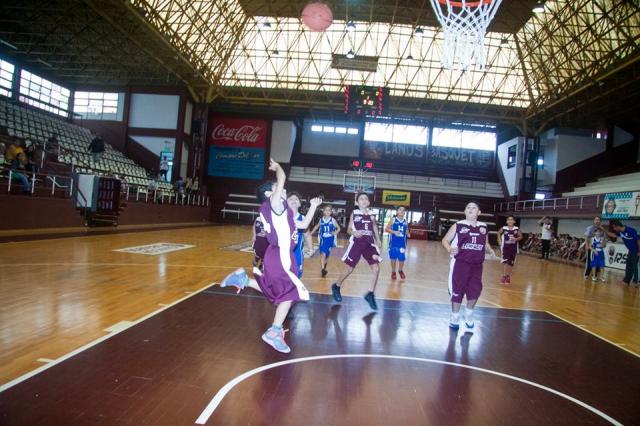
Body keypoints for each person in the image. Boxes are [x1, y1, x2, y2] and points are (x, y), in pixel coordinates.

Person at [219, 158, 321, 353]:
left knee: (279, 293)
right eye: (278, 188)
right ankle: (274, 331)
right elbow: (282, 178)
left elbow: (303, 225)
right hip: (279, 254)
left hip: (283, 256)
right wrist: (278, 169)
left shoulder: (285, 212)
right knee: (291, 292)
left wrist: (314, 206)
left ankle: (245, 280)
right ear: (269, 194)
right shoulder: (274, 204)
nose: (283, 189)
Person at [441, 201, 497, 330]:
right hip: (460, 264)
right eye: (468, 208)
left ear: (479, 212)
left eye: (474, 208)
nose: (471, 209)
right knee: (457, 290)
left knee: (475, 290)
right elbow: (445, 240)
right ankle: (455, 316)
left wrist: (490, 249)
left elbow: (485, 243)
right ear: (465, 212)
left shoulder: (483, 227)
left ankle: (469, 313)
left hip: (477, 265)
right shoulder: (458, 225)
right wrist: (449, 248)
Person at [331, 192, 382, 310]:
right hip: (357, 243)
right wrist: (354, 232)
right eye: (361, 199)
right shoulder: (354, 213)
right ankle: (336, 286)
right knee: (349, 269)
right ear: (357, 202)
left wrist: (378, 239)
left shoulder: (372, 214)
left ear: (368, 202)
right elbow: (348, 230)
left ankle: (370, 294)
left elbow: (374, 227)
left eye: (366, 199)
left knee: (376, 268)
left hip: (369, 243)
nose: (364, 200)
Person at [309, 205, 341, 277]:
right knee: (322, 253)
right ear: (323, 211)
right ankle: (323, 269)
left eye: (329, 210)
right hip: (322, 238)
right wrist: (311, 233)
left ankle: (324, 267)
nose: (327, 211)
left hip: (331, 239)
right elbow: (317, 226)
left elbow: (339, 228)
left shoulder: (333, 220)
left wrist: (335, 232)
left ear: (331, 212)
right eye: (325, 210)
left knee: (327, 255)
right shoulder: (321, 220)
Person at [604, 220, 639, 287]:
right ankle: (626, 281)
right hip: (630, 251)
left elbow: (638, 240)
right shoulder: (620, 232)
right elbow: (613, 235)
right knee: (628, 266)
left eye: (614, 228)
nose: (614, 229)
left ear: (617, 226)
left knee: (634, 266)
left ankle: (636, 282)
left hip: (636, 251)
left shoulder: (631, 230)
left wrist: (639, 252)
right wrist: (604, 230)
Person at [385, 206, 410, 280]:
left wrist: (408, 233)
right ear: (397, 212)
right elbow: (386, 229)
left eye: (403, 210)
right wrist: (394, 232)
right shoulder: (393, 219)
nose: (402, 211)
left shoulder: (405, 221)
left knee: (402, 259)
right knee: (393, 258)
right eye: (400, 209)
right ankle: (393, 272)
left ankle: (400, 270)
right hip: (393, 243)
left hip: (402, 244)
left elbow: (406, 230)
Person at [286, 191, 307, 278]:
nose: (294, 200)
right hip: (283, 254)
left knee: (296, 279)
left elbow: (307, 233)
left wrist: (310, 247)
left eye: (296, 199)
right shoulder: (281, 217)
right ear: (286, 203)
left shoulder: (303, 219)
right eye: (291, 199)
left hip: (297, 254)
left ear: (299, 204)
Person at [497, 215, 522, 284]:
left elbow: (521, 237)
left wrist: (516, 239)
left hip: (513, 248)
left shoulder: (516, 229)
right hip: (505, 247)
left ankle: (508, 276)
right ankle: (504, 276)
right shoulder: (504, 228)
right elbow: (498, 233)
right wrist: (499, 240)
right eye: (508, 219)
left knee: (511, 263)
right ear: (506, 221)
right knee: (505, 262)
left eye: (511, 220)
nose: (510, 221)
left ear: (514, 221)